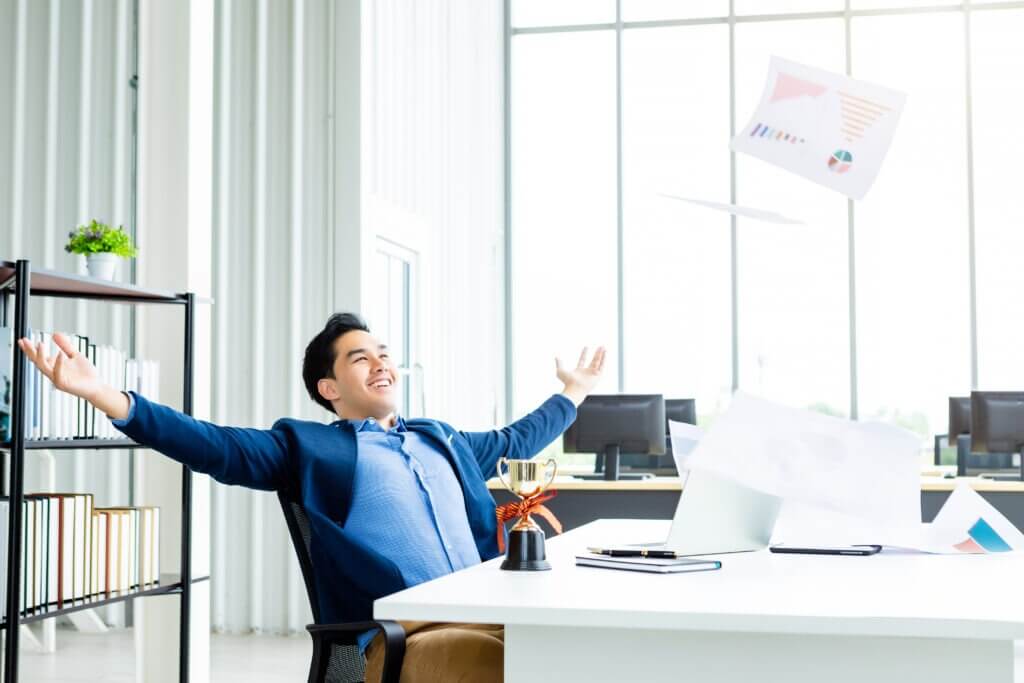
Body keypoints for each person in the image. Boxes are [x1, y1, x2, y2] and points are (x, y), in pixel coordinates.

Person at [16, 312, 606, 683]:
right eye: (360, 357)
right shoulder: (307, 447)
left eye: (383, 353)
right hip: (409, 636)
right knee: (505, 662)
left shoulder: (441, 438)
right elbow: (212, 445)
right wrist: (109, 398)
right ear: (330, 389)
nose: (380, 363)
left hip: (489, 611)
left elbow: (516, 439)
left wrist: (572, 395)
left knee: (588, 642)